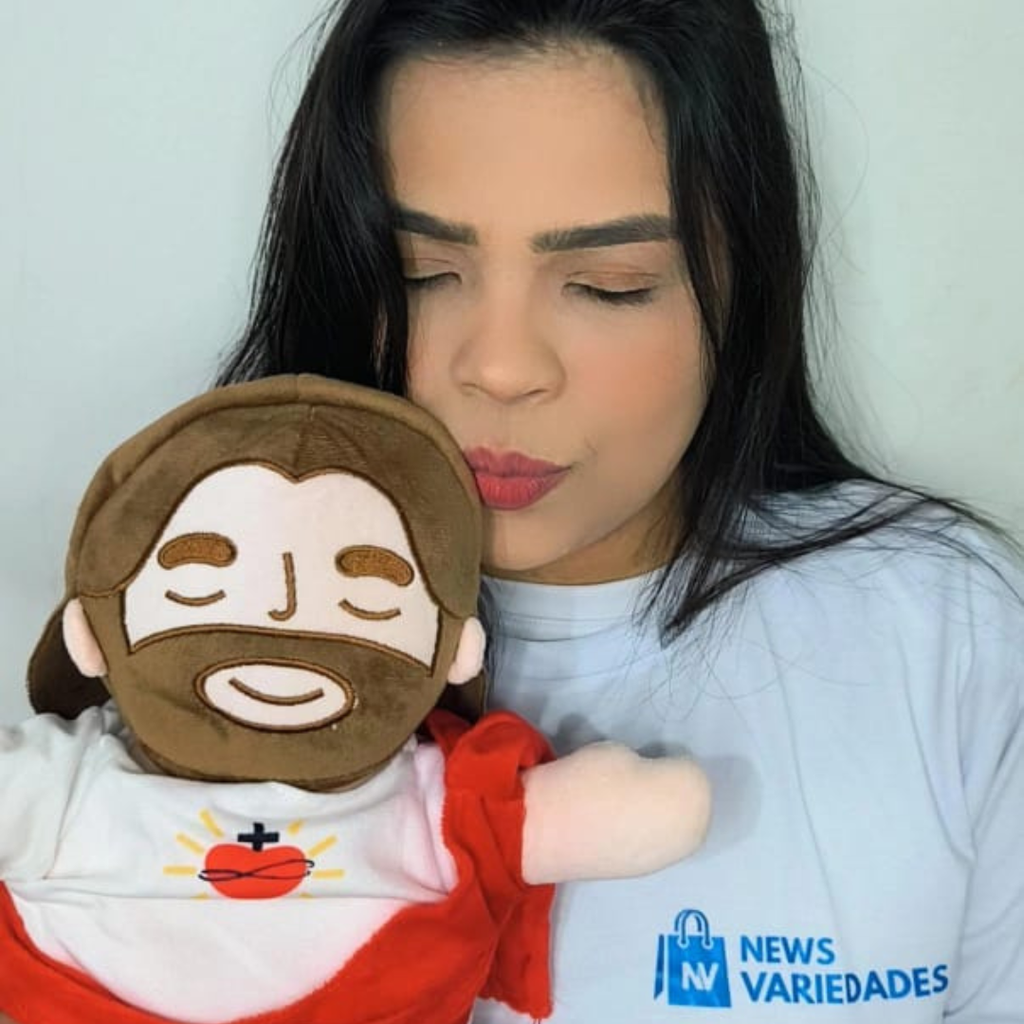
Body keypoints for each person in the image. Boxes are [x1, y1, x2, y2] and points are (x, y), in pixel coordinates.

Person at [214, 1, 1024, 1021]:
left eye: (608, 285)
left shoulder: (943, 630)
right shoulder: (203, 629)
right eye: (421, 274)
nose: (501, 367)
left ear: (740, 283)